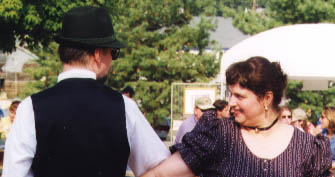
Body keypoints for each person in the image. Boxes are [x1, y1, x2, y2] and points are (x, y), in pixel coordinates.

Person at [2, 6, 170, 177]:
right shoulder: (124, 107)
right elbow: (161, 168)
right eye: (114, 53)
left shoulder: (30, 108)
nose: (112, 60)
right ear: (97, 54)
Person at [141, 56, 332, 176]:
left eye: (239, 96)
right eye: (230, 94)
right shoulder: (219, 134)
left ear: (266, 98)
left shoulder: (307, 148)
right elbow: (161, 174)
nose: (231, 102)